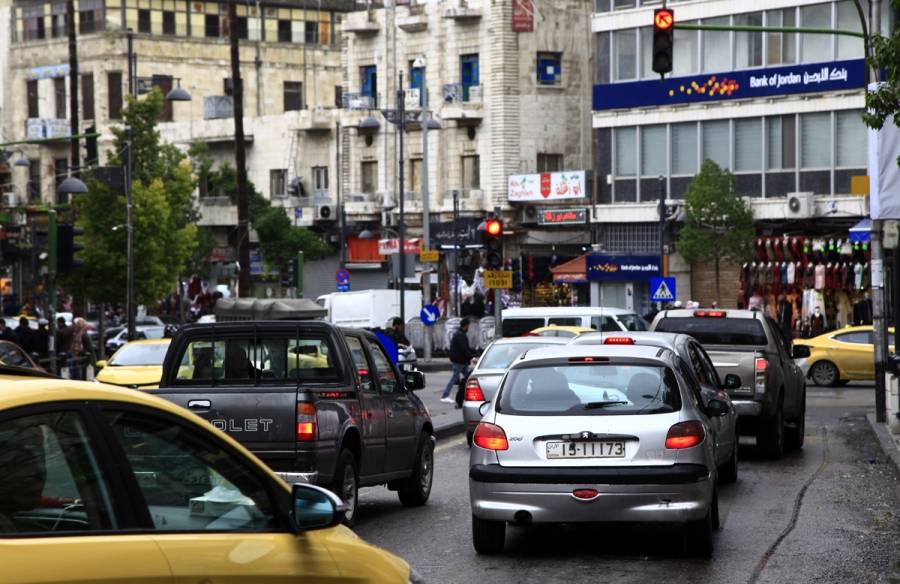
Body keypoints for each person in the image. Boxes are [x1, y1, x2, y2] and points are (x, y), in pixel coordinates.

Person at [442, 318, 476, 405]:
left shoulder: (459, 334)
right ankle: (445, 396)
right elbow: (464, 349)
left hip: (462, 361)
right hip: (459, 361)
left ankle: (467, 394)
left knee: (468, 377)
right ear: (466, 325)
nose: (469, 328)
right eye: (468, 326)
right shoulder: (460, 335)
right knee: (455, 378)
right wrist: (471, 357)